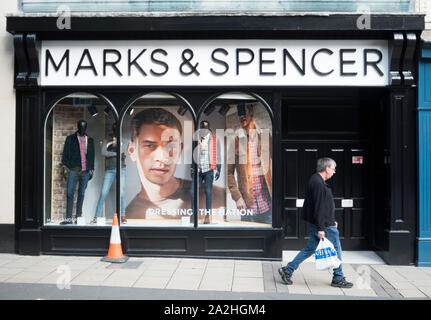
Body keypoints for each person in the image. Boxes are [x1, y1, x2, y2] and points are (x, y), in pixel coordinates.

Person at [125, 108, 224, 220]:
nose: (162, 158)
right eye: (150, 146)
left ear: (180, 149)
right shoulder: (130, 215)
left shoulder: (218, 197)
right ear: (132, 150)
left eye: (171, 146)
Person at [278, 158, 353, 288]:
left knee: (309, 249)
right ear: (327, 168)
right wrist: (321, 228)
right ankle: (338, 278)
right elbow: (319, 207)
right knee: (336, 249)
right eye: (333, 169)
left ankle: (288, 269)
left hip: (322, 223)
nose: (334, 172)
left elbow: (320, 206)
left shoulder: (316, 180)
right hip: (324, 225)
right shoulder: (318, 183)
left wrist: (330, 219)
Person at [227, 103, 272, 224]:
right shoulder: (236, 141)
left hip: (268, 205)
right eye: (239, 114)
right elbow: (229, 173)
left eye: (244, 113)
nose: (242, 117)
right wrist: (237, 197)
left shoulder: (265, 137)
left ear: (251, 112)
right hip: (247, 206)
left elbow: (277, 165)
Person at [60, 120, 95, 225]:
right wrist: (65, 166)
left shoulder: (90, 140)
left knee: (81, 194)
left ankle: (78, 218)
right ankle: (68, 219)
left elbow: (92, 155)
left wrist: (92, 169)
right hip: (73, 170)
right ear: (78, 127)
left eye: (84, 127)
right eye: (81, 126)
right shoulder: (70, 139)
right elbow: (65, 153)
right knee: (70, 193)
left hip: (85, 171)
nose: (82, 129)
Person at [92, 123, 127, 224]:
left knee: (121, 193)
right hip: (110, 170)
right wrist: (116, 153)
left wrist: (112, 153)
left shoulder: (123, 140)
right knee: (103, 192)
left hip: (121, 168)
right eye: (114, 128)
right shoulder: (107, 140)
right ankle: (96, 217)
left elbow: (122, 152)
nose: (115, 130)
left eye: (117, 129)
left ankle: (123, 216)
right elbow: (103, 152)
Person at [190, 120, 222, 224]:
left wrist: (219, 169)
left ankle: (208, 216)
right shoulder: (196, 139)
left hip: (209, 169)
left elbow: (218, 155)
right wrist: (192, 168)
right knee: (192, 192)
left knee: (208, 192)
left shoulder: (214, 140)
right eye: (202, 128)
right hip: (198, 170)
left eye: (205, 128)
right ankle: (193, 215)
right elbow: (192, 155)